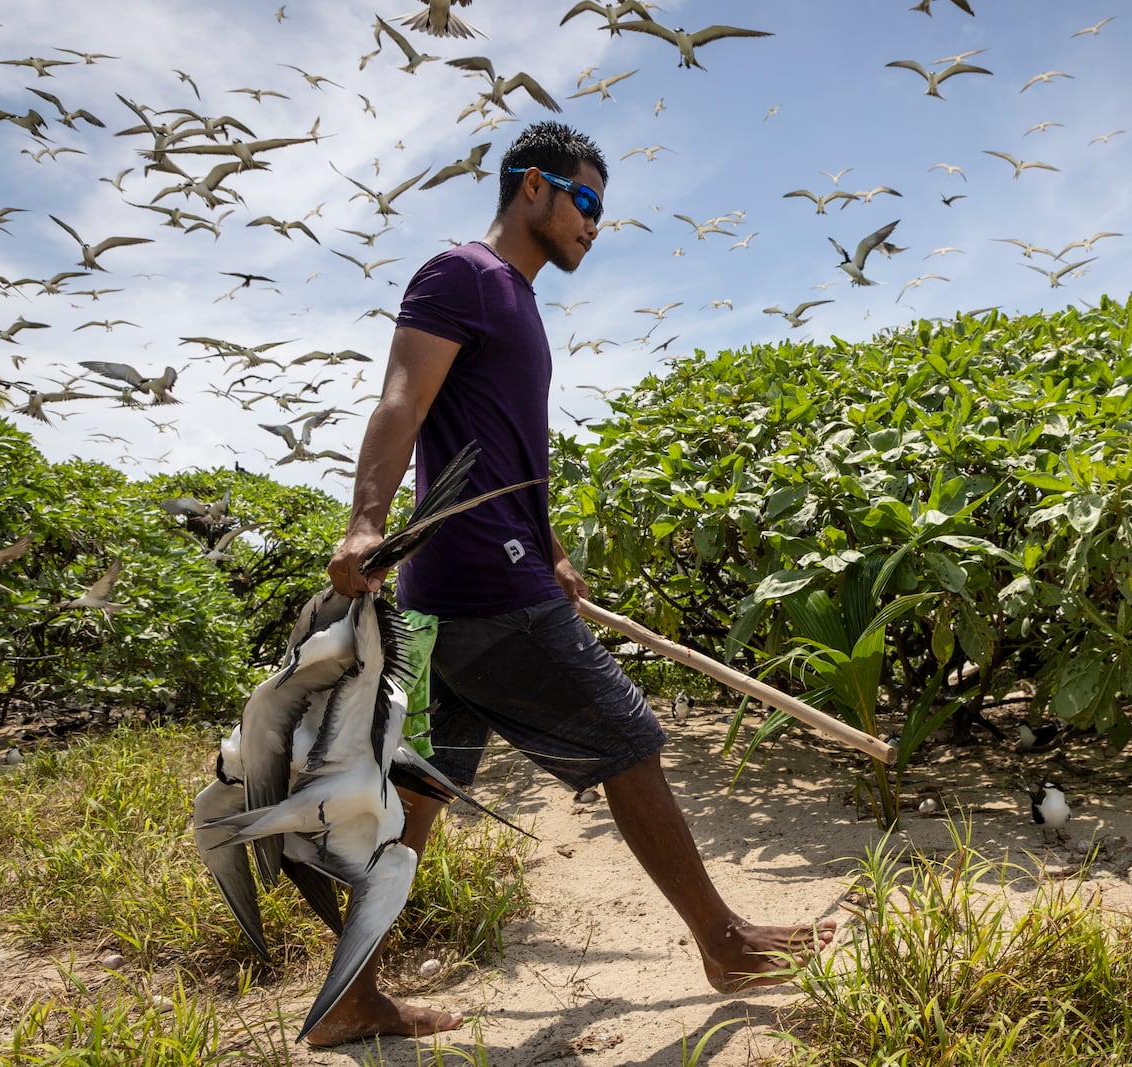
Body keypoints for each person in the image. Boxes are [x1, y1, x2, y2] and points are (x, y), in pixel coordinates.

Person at [319, 121, 836, 1046]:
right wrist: (365, 520)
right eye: (586, 201)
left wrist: (551, 544)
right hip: (483, 582)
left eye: (604, 209)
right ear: (533, 188)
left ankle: (353, 994)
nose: (596, 225)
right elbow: (402, 399)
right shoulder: (462, 275)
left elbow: (518, 452)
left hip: (455, 596)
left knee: (421, 793)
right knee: (629, 739)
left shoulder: (518, 303)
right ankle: (723, 941)